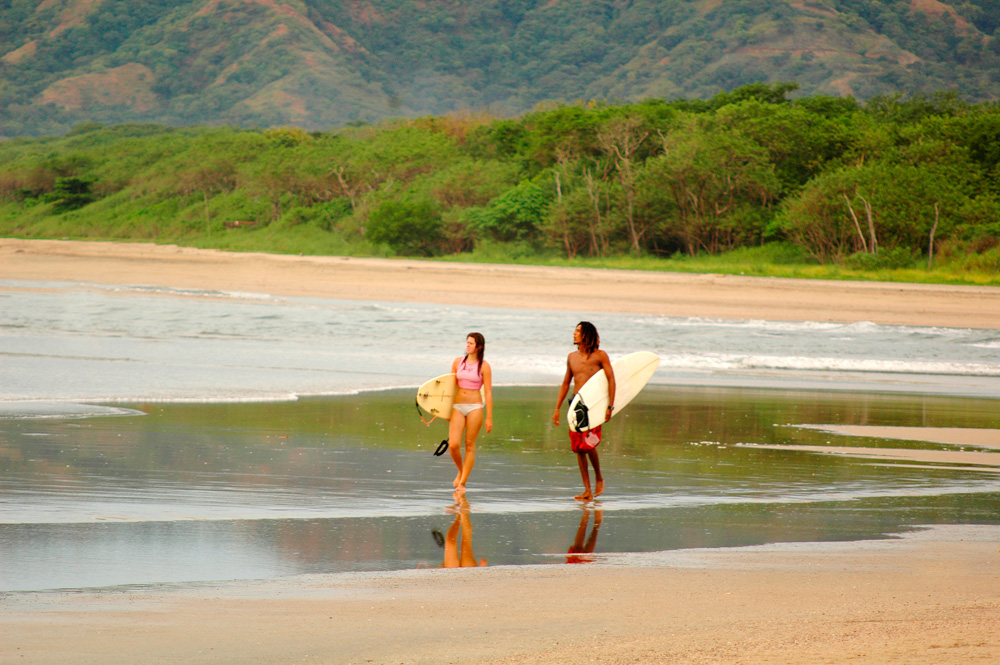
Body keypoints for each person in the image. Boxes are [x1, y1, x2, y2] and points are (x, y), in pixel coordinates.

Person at [552, 321, 615, 501]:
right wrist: (557, 408)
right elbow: (566, 383)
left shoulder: (600, 356)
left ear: (586, 334)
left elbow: (611, 380)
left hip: (593, 405)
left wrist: (610, 406)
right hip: (576, 405)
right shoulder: (571, 357)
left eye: (578, 331)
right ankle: (587, 490)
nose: (574, 333)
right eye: (575, 330)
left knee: (589, 444)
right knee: (578, 449)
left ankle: (599, 477)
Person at [448, 332, 493, 495]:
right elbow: (449, 387)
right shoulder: (457, 362)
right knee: (453, 445)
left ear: (479, 347)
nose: (467, 345)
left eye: (471, 343)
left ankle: (463, 481)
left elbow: (488, 393)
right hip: (458, 406)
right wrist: (444, 410)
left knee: (469, 445)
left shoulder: (484, 366)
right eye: (467, 342)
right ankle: (461, 470)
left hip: (475, 407)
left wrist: (489, 417)